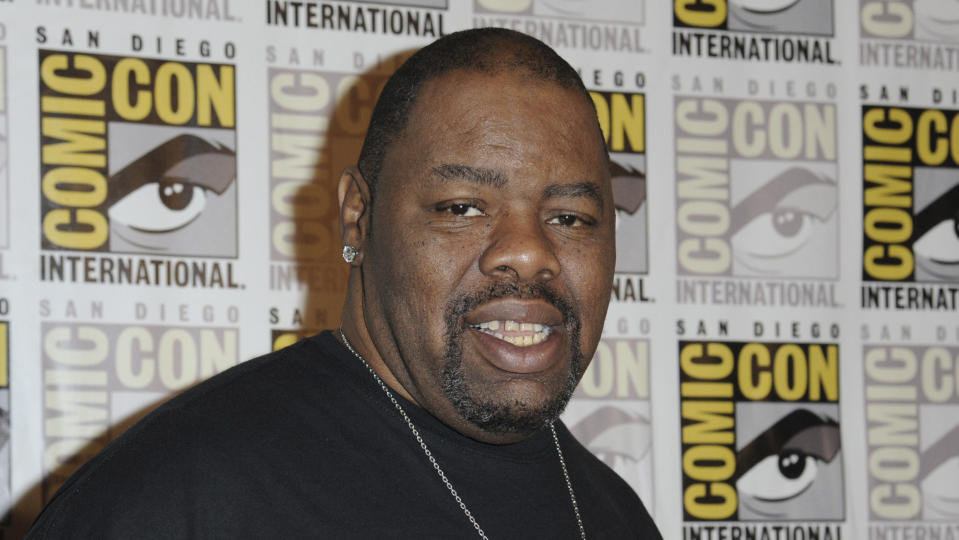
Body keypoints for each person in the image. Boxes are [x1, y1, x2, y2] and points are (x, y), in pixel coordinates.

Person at [28, 28, 662, 539]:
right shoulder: (178, 497)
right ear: (358, 215)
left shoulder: (616, 515)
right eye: (462, 207)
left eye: (571, 218)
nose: (528, 253)